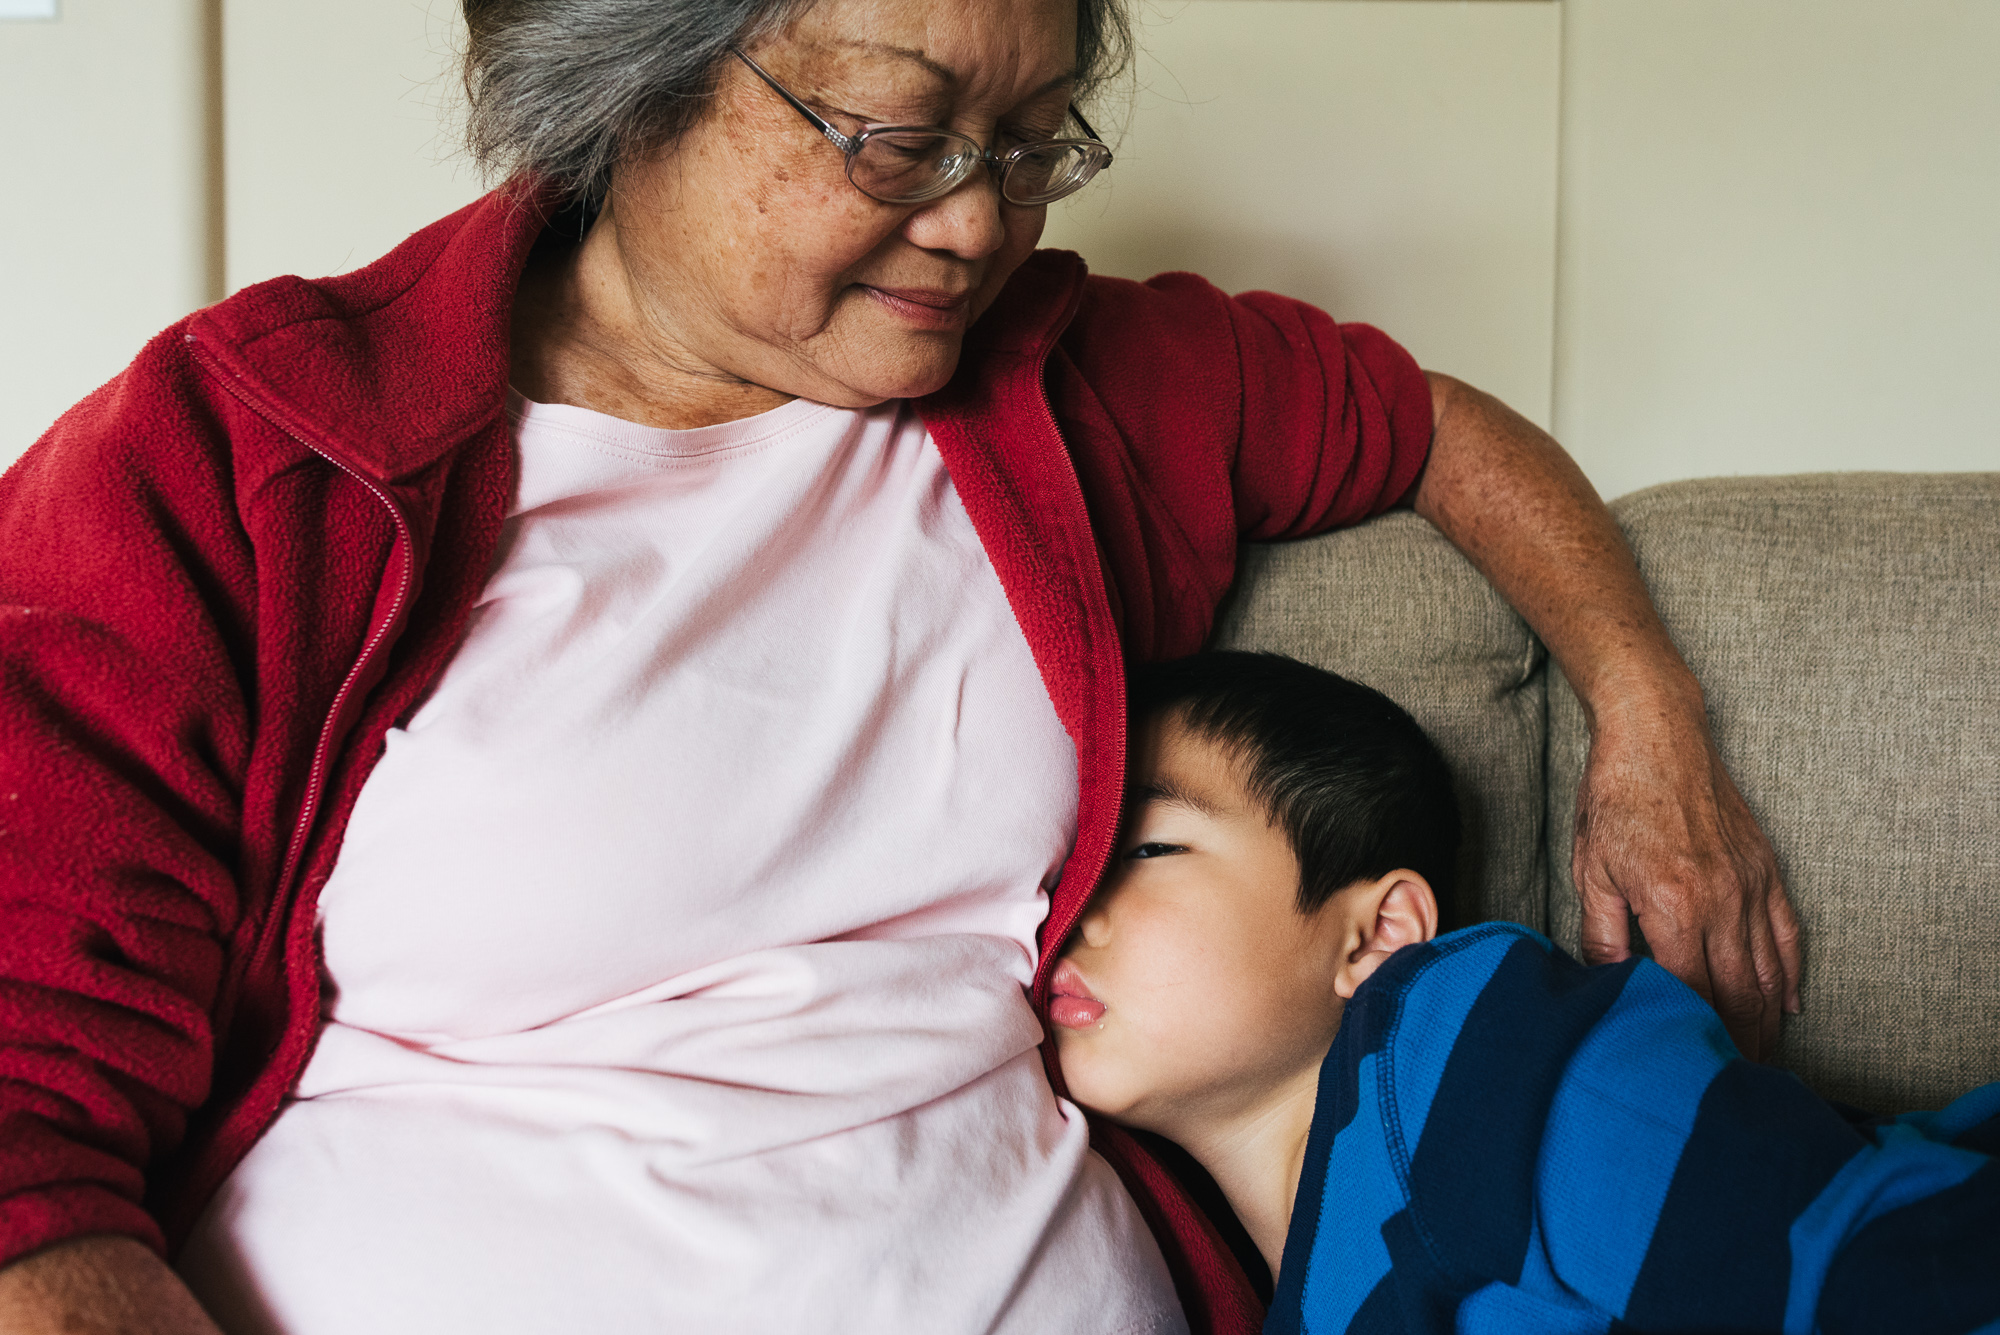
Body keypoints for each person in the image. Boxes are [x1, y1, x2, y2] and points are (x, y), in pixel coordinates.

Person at [0, 0, 1797, 1330]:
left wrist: (1650, 720)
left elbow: (1425, 425)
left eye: (1030, 141)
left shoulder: (1065, 397)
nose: (976, 223)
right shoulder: (251, 452)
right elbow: (25, 1120)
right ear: (623, 88)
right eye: (894, 135)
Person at [1053, 650, 2000, 1334]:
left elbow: (1857, 1263)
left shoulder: (1458, 1044)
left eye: (1143, 848)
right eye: (1067, 865)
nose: (1073, 903)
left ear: (1376, 935)